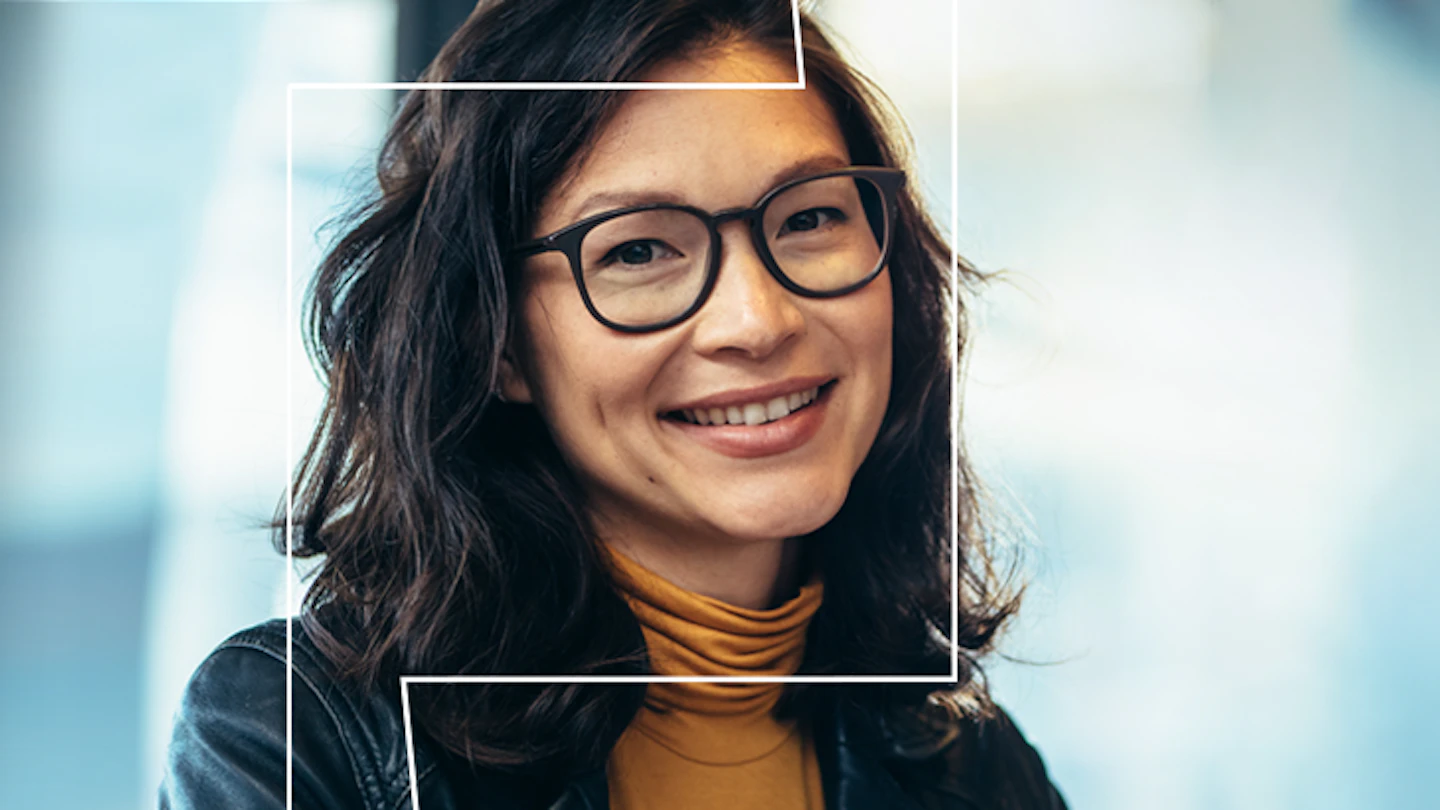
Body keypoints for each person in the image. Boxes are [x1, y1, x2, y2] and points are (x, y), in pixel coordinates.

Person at [159, 1, 1067, 808]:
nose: (757, 319)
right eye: (637, 252)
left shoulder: (969, 766)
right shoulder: (297, 739)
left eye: (808, 218)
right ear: (498, 343)